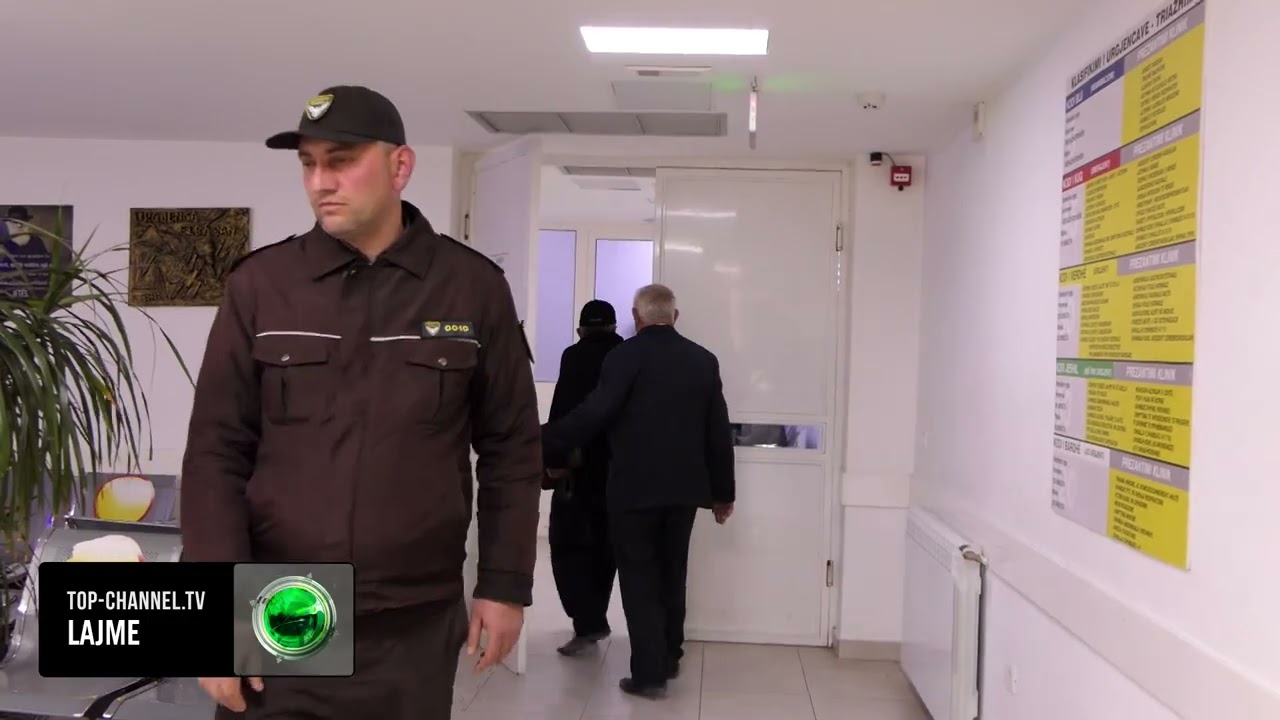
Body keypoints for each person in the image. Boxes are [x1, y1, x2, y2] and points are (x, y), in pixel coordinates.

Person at [180, 85, 543, 720]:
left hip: (413, 616)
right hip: (284, 601)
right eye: (308, 164)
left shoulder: (472, 287)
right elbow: (215, 453)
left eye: (341, 161)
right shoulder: (262, 286)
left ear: (400, 166)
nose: (320, 181)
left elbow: (511, 448)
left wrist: (504, 585)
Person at [541, 283, 735, 699]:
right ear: (675, 316)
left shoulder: (624, 357)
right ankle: (670, 655)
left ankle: (649, 674)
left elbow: (595, 413)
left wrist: (543, 439)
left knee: (640, 577)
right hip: (685, 490)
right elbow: (717, 431)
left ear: (636, 316)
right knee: (672, 572)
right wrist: (723, 493)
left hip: (634, 488)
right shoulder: (703, 360)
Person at [545, 299, 624, 656]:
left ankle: (587, 622)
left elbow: (563, 408)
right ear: (615, 326)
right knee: (606, 546)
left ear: (581, 329)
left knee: (568, 546)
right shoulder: (627, 355)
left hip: (578, 469)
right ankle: (595, 618)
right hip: (618, 468)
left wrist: (552, 458)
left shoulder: (574, 356)